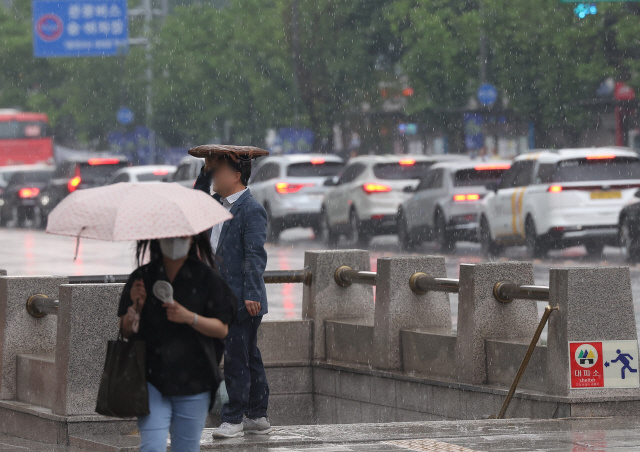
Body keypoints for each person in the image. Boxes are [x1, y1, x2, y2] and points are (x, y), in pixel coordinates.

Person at [119, 231, 236, 452]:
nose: (174, 242)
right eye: (169, 235)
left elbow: (221, 329)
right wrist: (136, 306)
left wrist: (189, 317)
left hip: (196, 380)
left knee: (186, 448)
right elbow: (126, 330)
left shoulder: (206, 278)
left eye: (181, 236)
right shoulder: (143, 277)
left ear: (192, 239)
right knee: (152, 446)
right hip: (151, 378)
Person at [194, 152, 270, 438]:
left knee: (238, 358)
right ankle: (258, 414)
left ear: (236, 175)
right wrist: (205, 170)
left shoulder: (251, 210)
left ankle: (234, 417)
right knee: (248, 356)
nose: (214, 176)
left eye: (218, 171)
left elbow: (254, 256)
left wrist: (251, 293)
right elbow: (195, 201)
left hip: (241, 299)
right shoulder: (215, 204)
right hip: (220, 297)